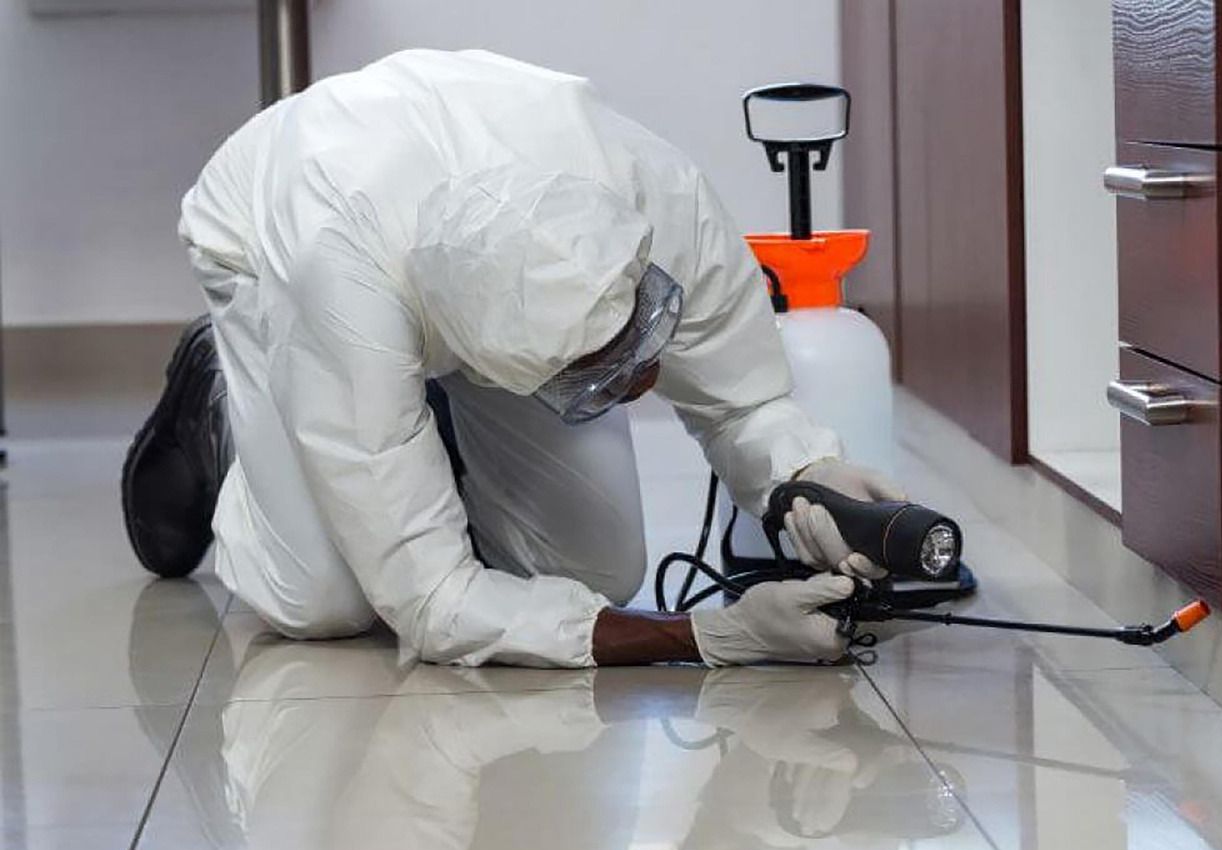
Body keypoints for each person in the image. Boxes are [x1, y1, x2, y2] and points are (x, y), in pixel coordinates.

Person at [120, 49, 906, 669]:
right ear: (504, 369)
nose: (649, 383)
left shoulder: (653, 193)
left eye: (644, 331)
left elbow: (745, 401)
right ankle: (223, 405)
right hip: (269, 234)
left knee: (594, 574)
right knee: (322, 603)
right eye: (603, 376)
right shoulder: (339, 284)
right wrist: (705, 636)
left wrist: (807, 478)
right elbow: (431, 606)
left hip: (438, 222)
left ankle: (409, 453)